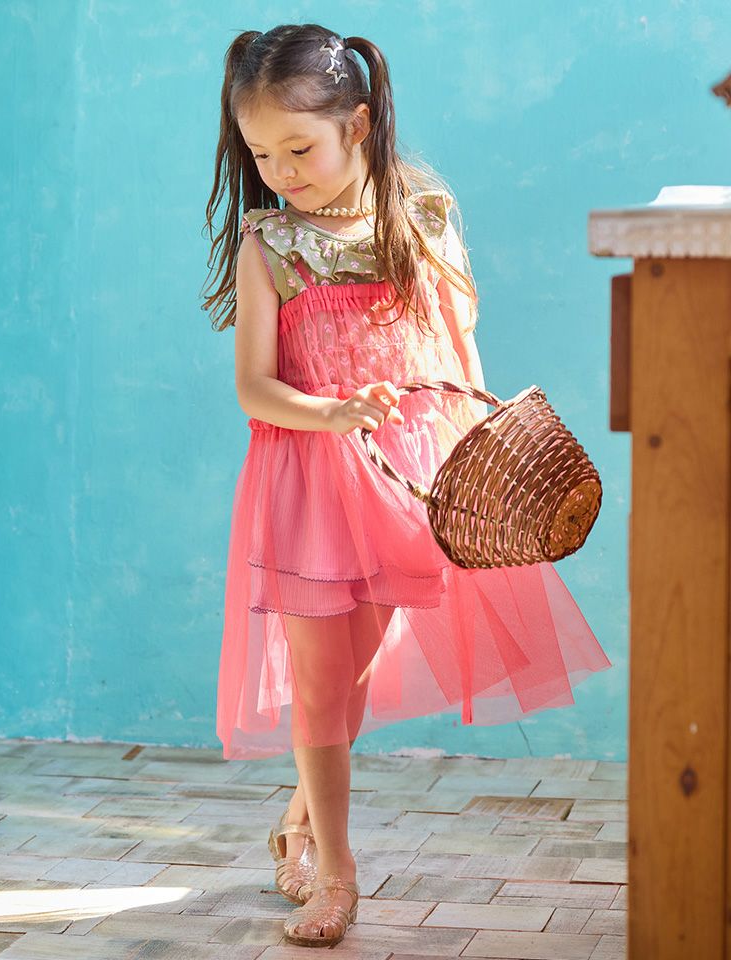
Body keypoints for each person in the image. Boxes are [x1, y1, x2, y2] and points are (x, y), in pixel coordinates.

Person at [201, 23, 613, 948]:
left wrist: (479, 453)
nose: (281, 172)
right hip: (309, 484)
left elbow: (458, 357)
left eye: (299, 148)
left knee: (350, 679)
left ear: (358, 124)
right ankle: (337, 875)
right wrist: (333, 412)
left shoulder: (420, 222)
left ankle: (300, 816)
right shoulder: (270, 245)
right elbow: (254, 388)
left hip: (403, 487)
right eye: (262, 154)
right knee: (319, 684)